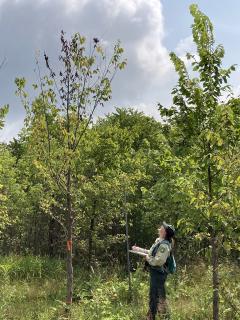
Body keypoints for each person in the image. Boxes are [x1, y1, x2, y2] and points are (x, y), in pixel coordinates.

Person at [145, 221, 175, 320]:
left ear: (165, 232)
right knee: (156, 294)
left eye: (163, 227)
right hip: (156, 272)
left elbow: (158, 261)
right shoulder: (159, 241)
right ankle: (158, 313)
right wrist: (139, 250)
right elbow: (152, 253)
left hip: (159, 273)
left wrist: (148, 259)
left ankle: (152, 316)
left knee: (154, 295)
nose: (160, 227)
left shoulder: (164, 246)